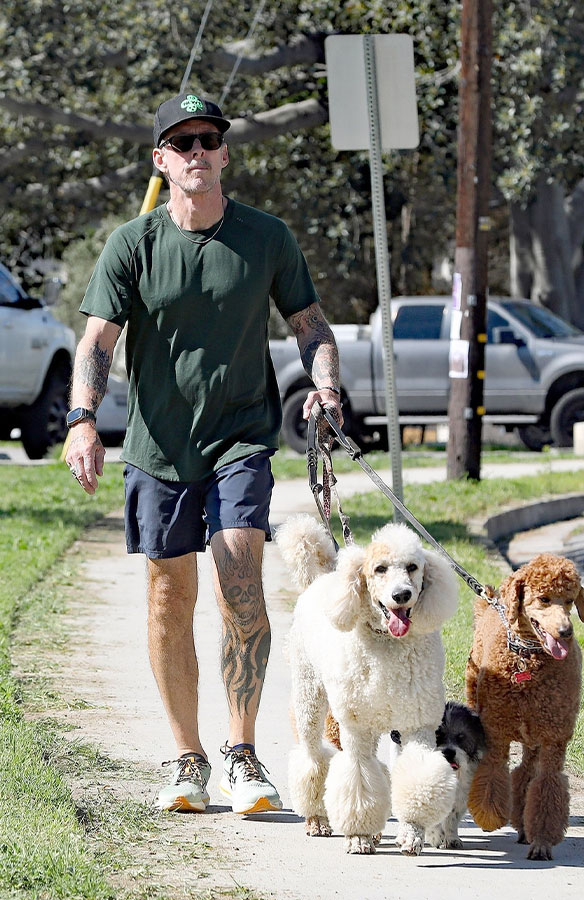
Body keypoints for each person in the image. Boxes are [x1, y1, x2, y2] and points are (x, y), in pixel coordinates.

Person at [65, 91, 342, 816]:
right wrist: (82, 421)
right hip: (157, 447)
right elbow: (97, 341)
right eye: (180, 143)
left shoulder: (266, 237)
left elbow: (312, 327)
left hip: (240, 438)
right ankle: (188, 757)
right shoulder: (133, 244)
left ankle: (242, 753)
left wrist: (326, 389)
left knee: (240, 576)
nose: (196, 153)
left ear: (224, 153)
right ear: (161, 159)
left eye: (207, 141)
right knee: (167, 596)